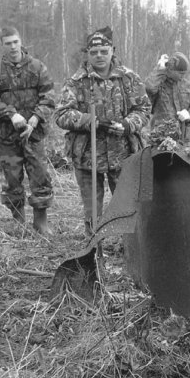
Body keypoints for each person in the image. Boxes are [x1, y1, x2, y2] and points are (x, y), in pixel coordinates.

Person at [54, 26, 151, 236]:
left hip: (124, 153)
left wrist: (127, 125)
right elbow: (61, 114)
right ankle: (94, 248)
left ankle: (127, 247)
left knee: (126, 206)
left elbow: (143, 109)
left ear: (112, 51)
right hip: (87, 156)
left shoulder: (129, 79)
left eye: (104, 51)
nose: (99, 56)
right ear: (87, 54)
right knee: (92, 210)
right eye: (94, 52)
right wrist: (91, 121)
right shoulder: (76, 82)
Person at [0, 26, 55, 234]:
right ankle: (18, 220)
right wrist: (11, 114)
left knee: (40, 175)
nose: (13, 46)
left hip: (34, 135)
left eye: (15, 42)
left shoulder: (37, 67)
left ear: (21, 41)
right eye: (8, 43)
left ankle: (40, 222)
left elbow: (49, 97)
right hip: (7, 137)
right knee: (11, 178)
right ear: (2, 45)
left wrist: (34, 119)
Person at [144, 52, 190, 135]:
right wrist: (160, 69)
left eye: (184, 73)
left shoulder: (186, 85)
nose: (183, 76)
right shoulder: (159, 83)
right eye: (180, 73)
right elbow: (149, 88)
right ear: (171, 70)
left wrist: (189, 114)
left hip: (184, 135)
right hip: (162, 136)